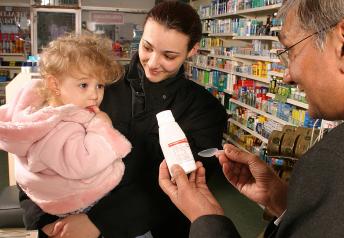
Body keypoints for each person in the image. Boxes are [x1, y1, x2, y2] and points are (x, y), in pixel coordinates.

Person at [19, 1, 228, 238]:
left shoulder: (205, 110)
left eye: (169, 55)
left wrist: (99, 223)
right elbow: (39, 143)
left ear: (192, 50)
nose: (152, 62)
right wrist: (43, 219)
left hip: (151, 227)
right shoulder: (98, 85)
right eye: (147, 47)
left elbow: (184, 187)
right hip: (66, 222)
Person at [158, 0, 344, 237]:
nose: (287, 76)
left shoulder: (337, 163)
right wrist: (283, 202)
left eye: (291, 52)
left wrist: (205, 217)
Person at [0, 33, 140, 233]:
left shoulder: (39, 113)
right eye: (84, 85)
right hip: (73, 203)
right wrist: (101, 127)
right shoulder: (62, 126)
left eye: (99, 86)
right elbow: (85, 163)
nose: (95, 95)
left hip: (47, 199)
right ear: (55, 85)